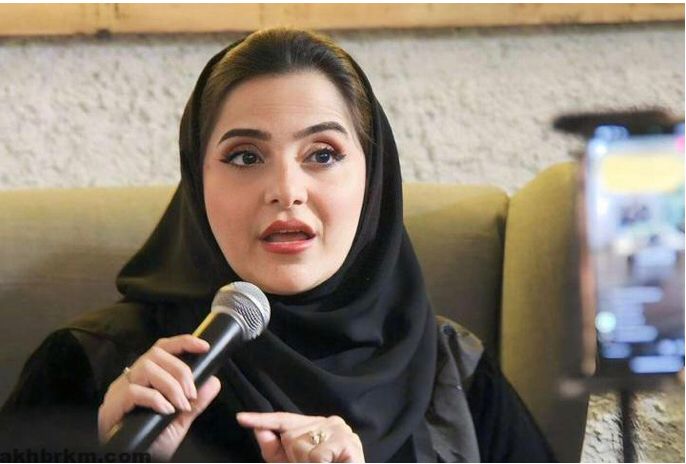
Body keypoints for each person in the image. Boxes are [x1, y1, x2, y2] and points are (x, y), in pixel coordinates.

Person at [1, 28, 555, 462]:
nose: (286, 191)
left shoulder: (454, 376)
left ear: (374, 180)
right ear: (196, 182)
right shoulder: (94, 367)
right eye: (246, 156)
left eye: (322, 155)